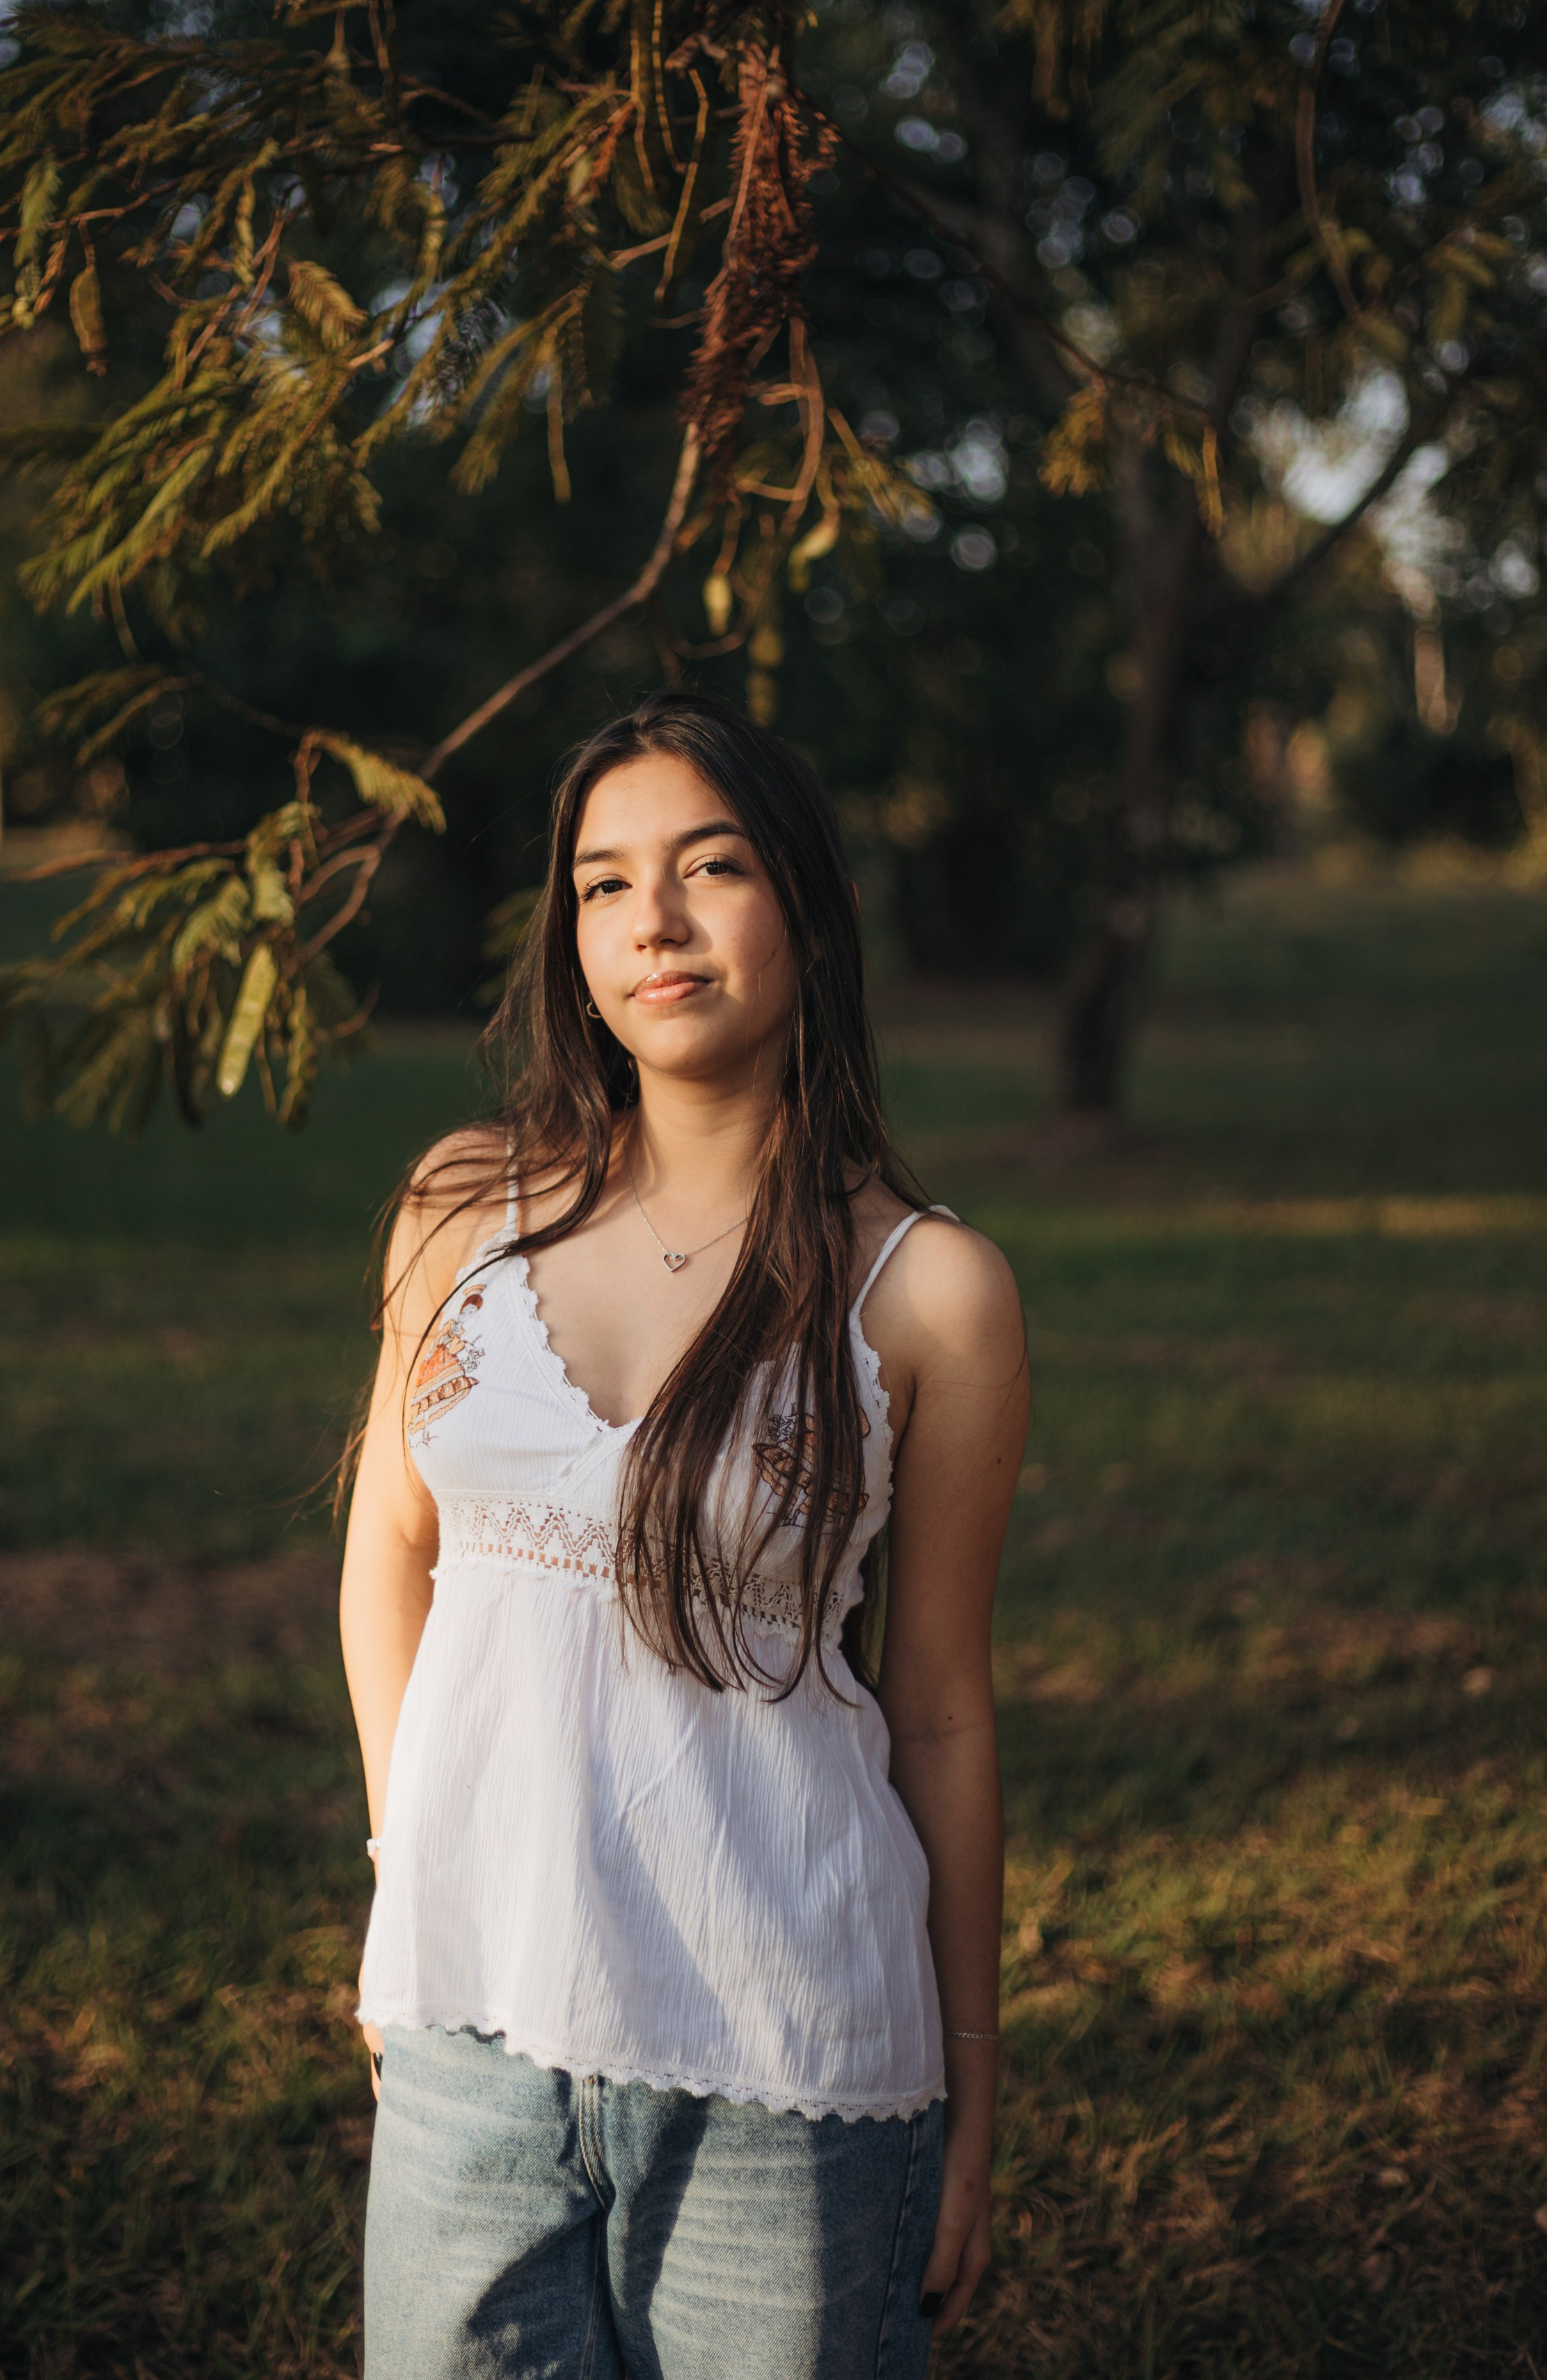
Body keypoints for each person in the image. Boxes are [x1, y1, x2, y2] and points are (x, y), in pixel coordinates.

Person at [339, 690, 1029, 2379]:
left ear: (805, 902)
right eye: (600, 882)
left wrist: (973, 2098)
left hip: (785, 2055)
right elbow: (387, 1564)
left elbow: (935, 1704)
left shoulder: (929, 1289)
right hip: (468, 2039)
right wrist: (409, 1885)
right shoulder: (458, 1215)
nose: (649, 920)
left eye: (707, 867)